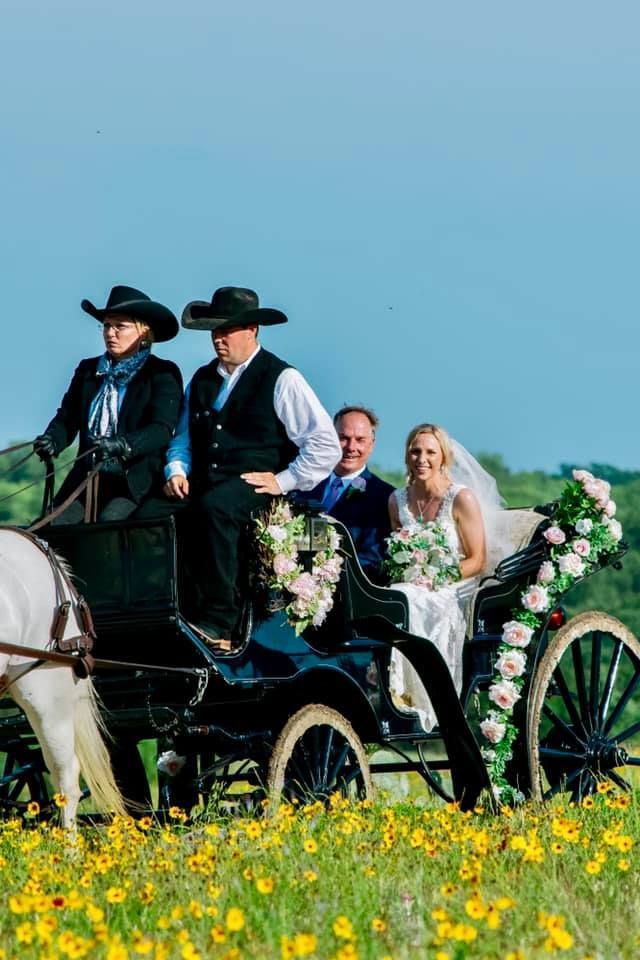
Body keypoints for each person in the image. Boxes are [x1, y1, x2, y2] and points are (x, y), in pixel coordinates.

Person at [135, 286, 341, 651]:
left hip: (254, 485)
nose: (218, 339)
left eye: (226, 331)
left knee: (217, 509)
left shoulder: (281, 378)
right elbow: (182, 437)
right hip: (203, 481)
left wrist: (283, 480)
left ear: (252, 331)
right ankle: (159, 607)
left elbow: (325, 445)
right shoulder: (202, 378)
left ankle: (220, 622)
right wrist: (176, 470)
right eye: (215, 332)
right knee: (149, 513)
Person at [387, 423, 506, 732]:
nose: (421, 459)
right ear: (406, 456)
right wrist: (415, 574)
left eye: (430, 452)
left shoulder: (460, 498)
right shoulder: (397, 500)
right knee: (394, 596)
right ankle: (393, 692)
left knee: (412, 598)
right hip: (410, 583)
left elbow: (477, 559)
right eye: (415, 451)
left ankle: (428, 697)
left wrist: (437, 576)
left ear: (443, 458)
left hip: (456, 583)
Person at [34, 285, 183, 524]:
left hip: (133, 480)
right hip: (85, 477)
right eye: (106, 326)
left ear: (143, 332)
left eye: (120, 326)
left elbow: (161, 429)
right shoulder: (88, 370)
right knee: (50, 526)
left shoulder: (162, 373)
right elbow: (67, 418)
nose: (110, 333)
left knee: (109, 526)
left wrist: (124, 445)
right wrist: (53, 439)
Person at [298, 405, 393, 583]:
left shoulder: (384, 496)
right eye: (343, 438)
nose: (351, 447)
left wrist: (325, 575)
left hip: (346, 594)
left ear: (372, 444)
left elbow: (374, 559)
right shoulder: (305, 483)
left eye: (360, 440)